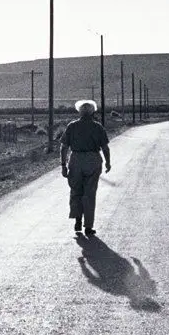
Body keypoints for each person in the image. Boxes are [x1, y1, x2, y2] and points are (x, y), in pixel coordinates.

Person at [60, 99, 111, 237]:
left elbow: (64, 147)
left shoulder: (72, 126)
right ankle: (88, 226)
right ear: (93, 111)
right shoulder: (98, 127)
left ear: (79, 111)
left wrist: (63, 165)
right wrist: (108, 162)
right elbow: (105, 147)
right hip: (93, 160)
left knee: (76, 191)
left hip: (76, 159)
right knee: (90, 194)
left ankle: (77, 220)